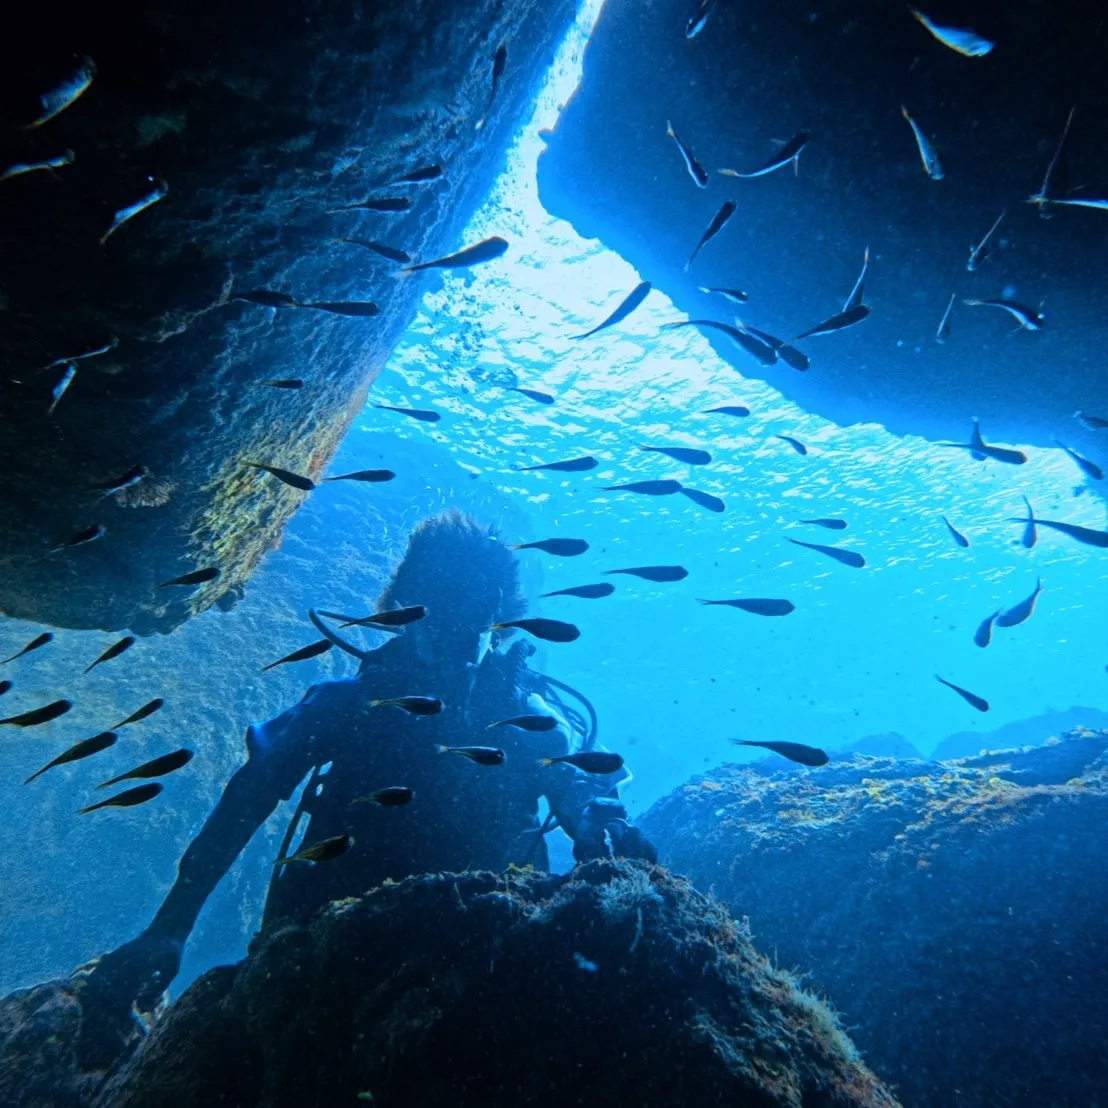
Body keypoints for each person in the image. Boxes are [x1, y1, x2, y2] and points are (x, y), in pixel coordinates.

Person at [80, 510, 653, 1037]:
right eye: (438, 609)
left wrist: (601, 825)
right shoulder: (344, 706)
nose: (453, 632)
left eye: (470, 612)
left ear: (497, 620)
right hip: (324, 956)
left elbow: (578, 794)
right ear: (402, 610)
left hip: (476, 964)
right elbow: (245, 802)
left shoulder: (532, 725)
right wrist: (170, 929)